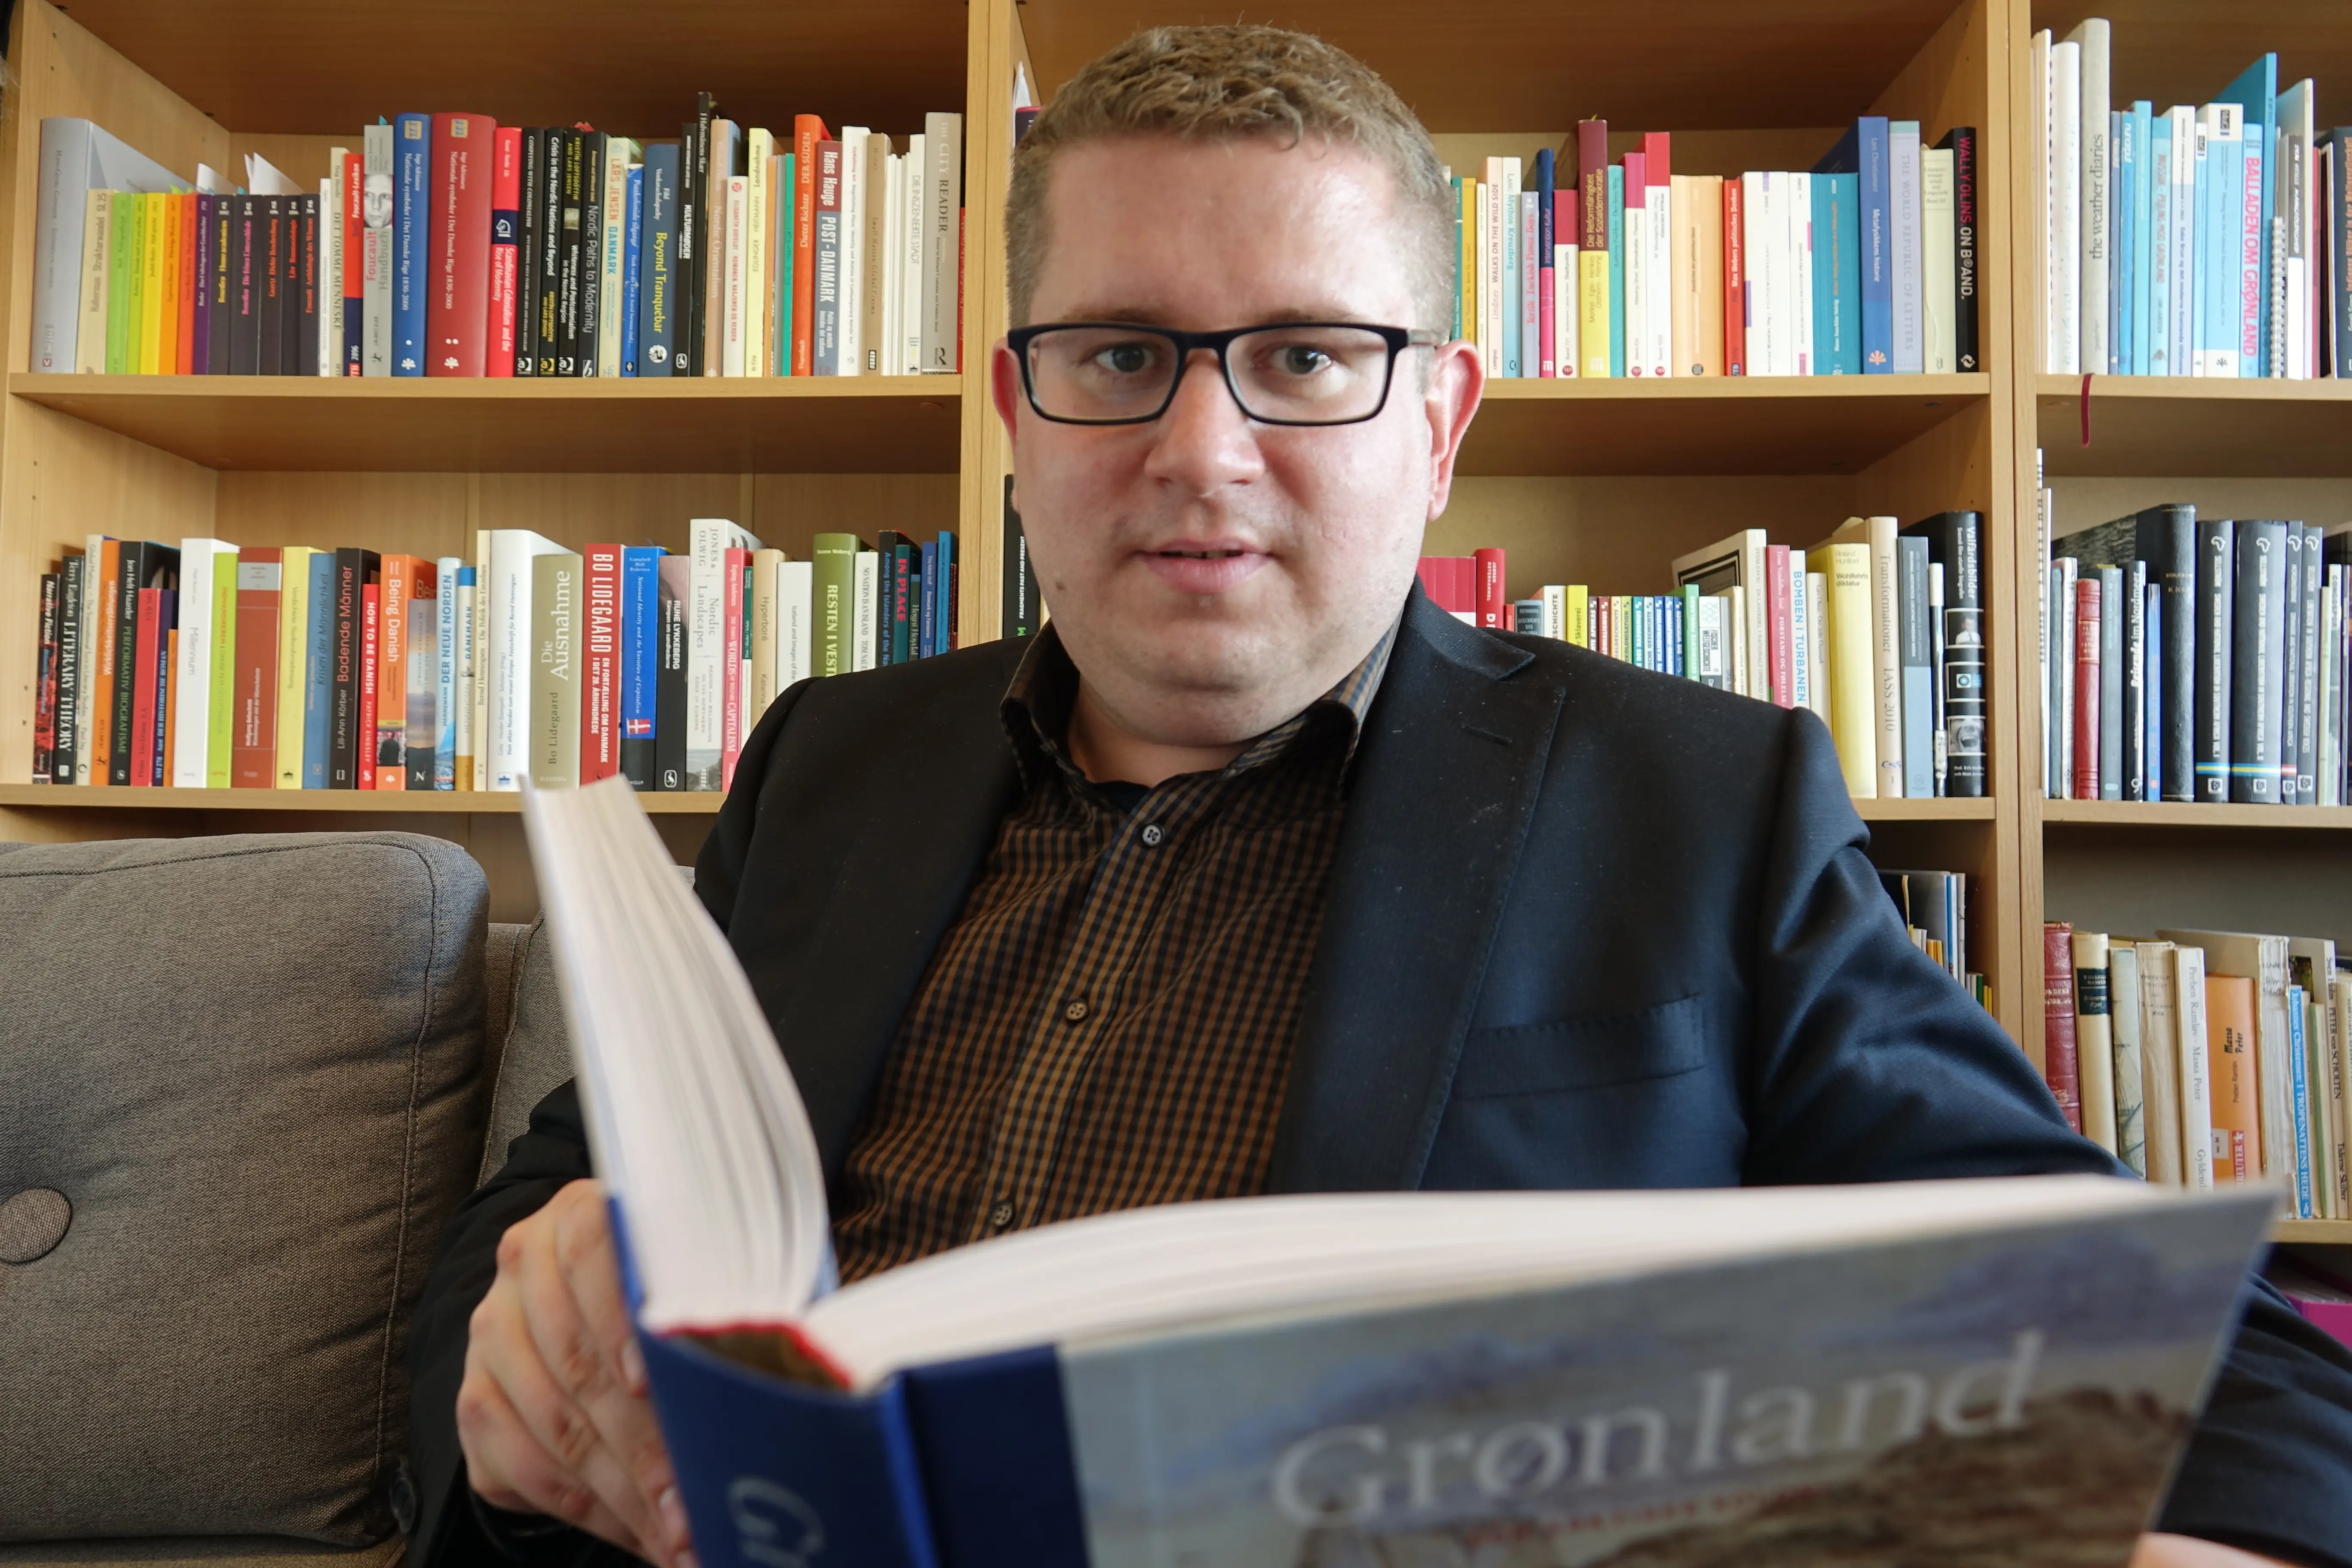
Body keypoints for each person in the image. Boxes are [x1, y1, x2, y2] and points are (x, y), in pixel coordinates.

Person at [405, 25, 2352, 1568]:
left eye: (1308, 357)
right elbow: (533, 1214)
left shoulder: (1699, 804)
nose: (1202, 447)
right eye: (1119, 354)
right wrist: (524, 1363)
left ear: (1439, 421)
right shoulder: (832, 758)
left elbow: (2195, 1358)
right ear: (1014, 414)